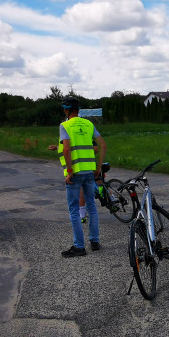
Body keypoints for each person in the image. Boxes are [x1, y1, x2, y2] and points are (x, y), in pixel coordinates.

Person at [58, 97, 107, 257]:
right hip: (90, 171)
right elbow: (102, 145)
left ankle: (79, 246)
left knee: (74, 210)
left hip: (76, 172)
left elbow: (66, 149)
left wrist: (70, 171)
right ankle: (94, 241)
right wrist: (98, 167)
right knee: (92, 207)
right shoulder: (88, 124)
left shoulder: (65, 125)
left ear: (66, 110)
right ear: (78, 110)